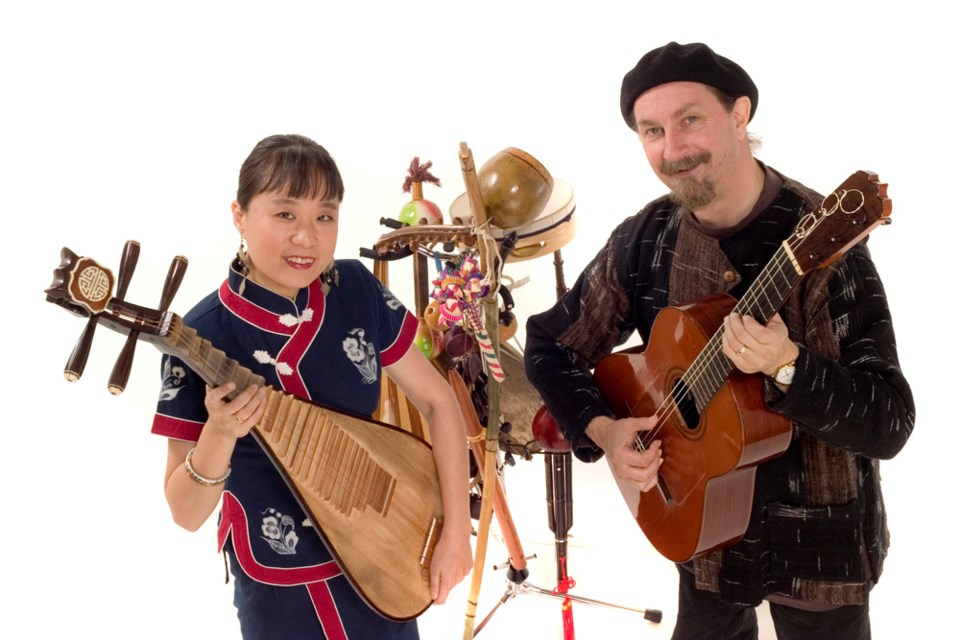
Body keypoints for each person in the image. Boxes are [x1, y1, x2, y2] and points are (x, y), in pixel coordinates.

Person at [523, 42, 914, 640]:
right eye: (652, 131)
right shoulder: (646, 239)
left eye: (690, 120)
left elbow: (889, 422)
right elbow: (551, 346)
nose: (672, 149)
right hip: (701, 534)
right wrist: (603, 429)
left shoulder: (826, 247)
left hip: (819, 549)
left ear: (740, 114)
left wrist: (789, 366)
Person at [152, 133, 473, 639]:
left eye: (324, 216)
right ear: (240, 215)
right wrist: (219, 433)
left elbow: (437, 402)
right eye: (285, 214)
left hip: (386, 548)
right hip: (280, 583)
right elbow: (185, 513)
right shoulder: (204, 335)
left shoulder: (356, 290)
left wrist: (456, 530)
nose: (307, 237)